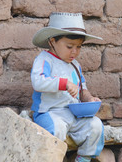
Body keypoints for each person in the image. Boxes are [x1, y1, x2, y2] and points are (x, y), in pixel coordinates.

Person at [31, 12, 104, 162]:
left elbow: (82, 89)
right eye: (69, 46)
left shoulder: (75, 65)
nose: (74, 52)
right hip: (50, 113)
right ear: (52, 41)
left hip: (73, 114)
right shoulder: (45, 59)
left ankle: (83, 158)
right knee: (56, 129)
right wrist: (63, 84)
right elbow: (37, 81)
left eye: (78, 47)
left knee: (95, 125)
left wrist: (89, 98)